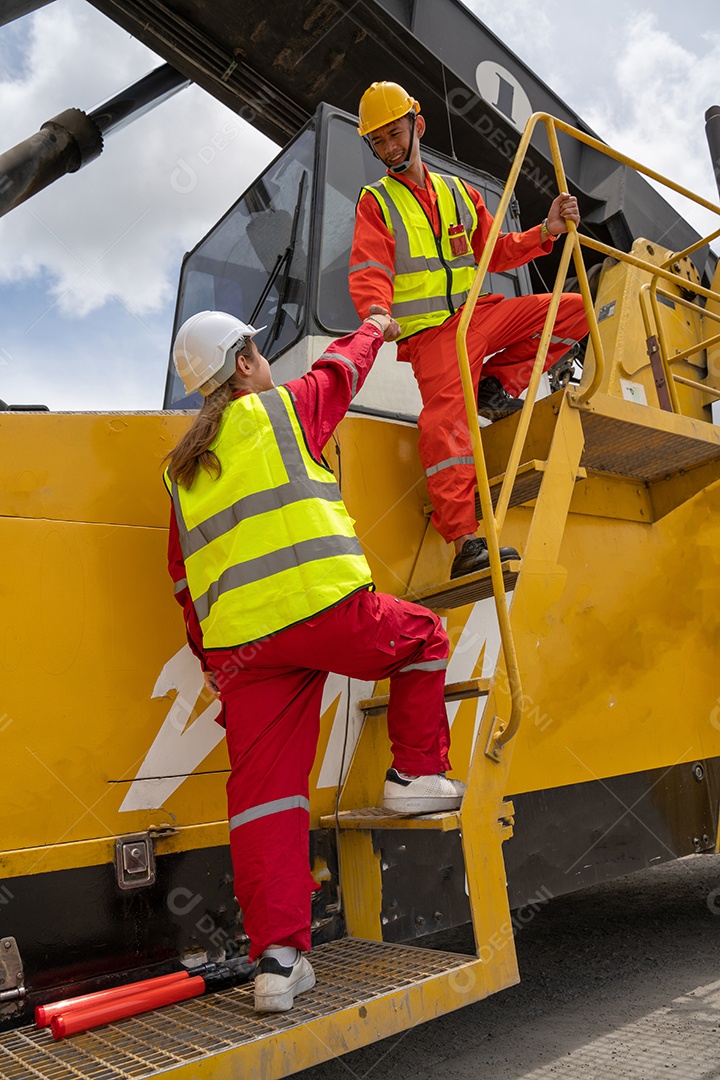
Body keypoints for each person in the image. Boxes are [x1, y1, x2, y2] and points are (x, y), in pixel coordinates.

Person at [165, 308, 464, 1013]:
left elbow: (184, 581)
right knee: (423, 636)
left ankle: (277, 962)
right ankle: (416, 773)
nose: (268, 364)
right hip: (321, 607)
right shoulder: (280, 410)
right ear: (244, 365)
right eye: (260, 355)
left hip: (245, 650)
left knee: (265, 796)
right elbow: (342, 372)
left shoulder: (182, 474)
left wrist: (213, 658)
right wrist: (378, 328)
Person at [349, 81, 589, 579]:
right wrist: (376, 312)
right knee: (443, 425)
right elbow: (370, 265)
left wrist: (545, 231)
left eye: (395, 134)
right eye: (379, 142)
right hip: (434, 336)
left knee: (573, 309)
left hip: (480, 314)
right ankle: (465, 544)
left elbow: (496, 251)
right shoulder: (376, 201)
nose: (390, 148)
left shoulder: (460, 192)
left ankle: (496, 386)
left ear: (418, 125)